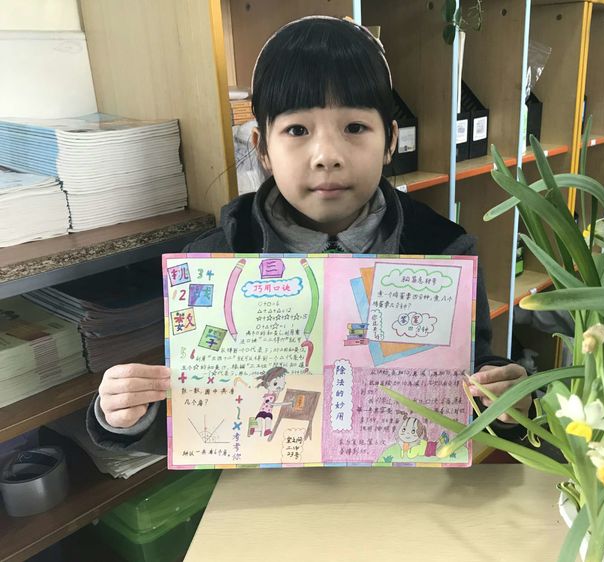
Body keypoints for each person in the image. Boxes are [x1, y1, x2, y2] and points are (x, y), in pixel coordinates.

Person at [86, 16, 531, 455]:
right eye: (297, 130)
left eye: (355, 128)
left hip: (400, 481)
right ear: (262, 147)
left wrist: (506, 399)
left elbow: (470, 375)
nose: (327, 156)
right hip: (269, 489)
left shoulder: (442, 252)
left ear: (391, 141)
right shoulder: (213, 263)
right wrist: (127, 411)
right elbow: (190, 403)